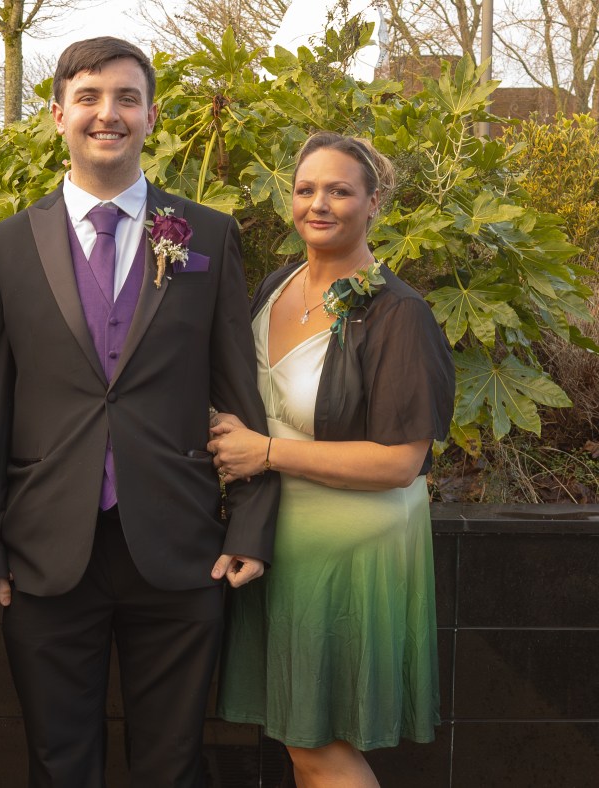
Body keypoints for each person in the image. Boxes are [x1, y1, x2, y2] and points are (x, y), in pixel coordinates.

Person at [0, 36, 280, 787]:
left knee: (173, 766)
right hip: (45, 553)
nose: (107, 113)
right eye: (88, 97)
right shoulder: (6, 247)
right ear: (58, 115)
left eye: (126, 98)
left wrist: (250, 524)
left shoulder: (208, 235)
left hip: (179, 546)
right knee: (58, 764)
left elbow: (240, 394)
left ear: (151, 116)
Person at [209, 131, 455, 787]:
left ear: (373, 203)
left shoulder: (398, 314)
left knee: (318, 747)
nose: (318, 204)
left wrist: (264, 452)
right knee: (301, 743)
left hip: (349, 549)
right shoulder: (276, 286)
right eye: (306, 189)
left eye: (339, 191)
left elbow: (401, 463)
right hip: (279, 534)